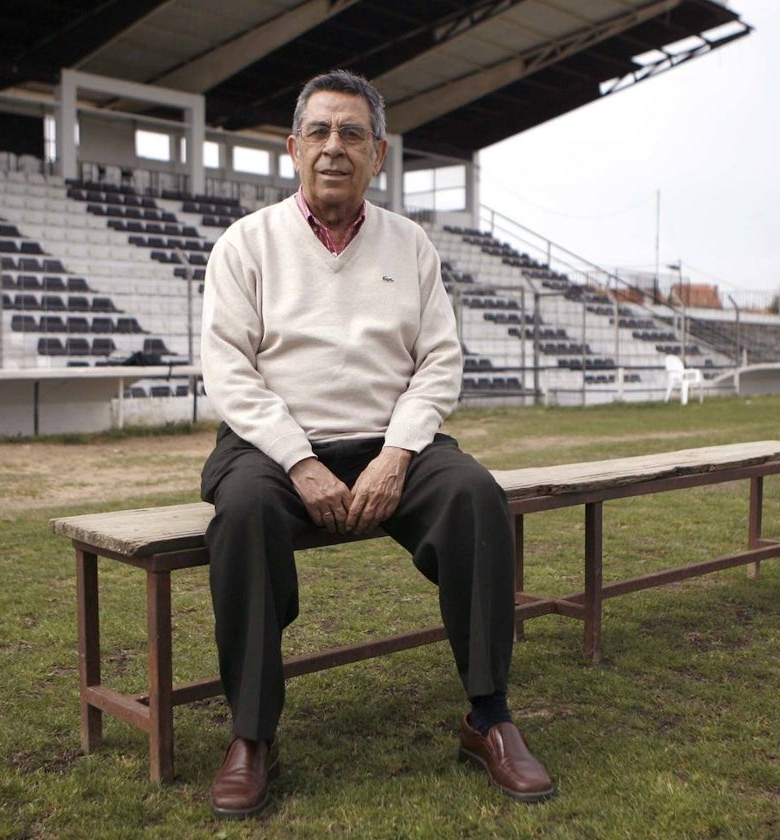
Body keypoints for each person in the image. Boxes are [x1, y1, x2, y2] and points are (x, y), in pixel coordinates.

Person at [199, 69, 554, 818]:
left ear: (379, 153)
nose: (336, 148)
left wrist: (398, 453)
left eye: (352, 134)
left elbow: (439, 362)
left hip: (389, 442)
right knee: (243, 516)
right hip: (271, 448)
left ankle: (488, 716)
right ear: (293, 148)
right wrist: (298, 460)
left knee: (475, 497)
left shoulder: (412, 243)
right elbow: (229, 372)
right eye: (320, 132)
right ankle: (252, 735)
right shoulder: (245, 243)